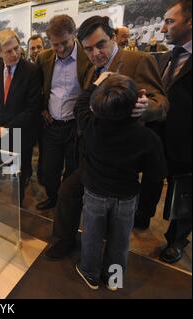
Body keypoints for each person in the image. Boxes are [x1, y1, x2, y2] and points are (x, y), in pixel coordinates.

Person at [43, 15, 169, 260]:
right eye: (88, 49)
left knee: (114, 218)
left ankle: (106, 263)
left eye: (100, 44)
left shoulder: (138, 60)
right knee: (68, 191)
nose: (95, 53)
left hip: (122, 160)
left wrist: (147, 107)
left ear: (113, 37)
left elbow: (162, 103)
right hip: (93, 152)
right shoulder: (91, 69)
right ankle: (66, 241)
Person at [73, 73, 166, 290]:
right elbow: (156, 173)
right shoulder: (147, 138)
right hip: (126, 196)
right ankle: (114, 279)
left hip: (95, 193)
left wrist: (97, 81)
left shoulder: (91, 124)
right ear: (137, 104)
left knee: (92, 236)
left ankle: (90, 274)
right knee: (120, 241)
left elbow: (79, 105)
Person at [35, 15, 93, 211]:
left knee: (73, 170)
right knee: (49, 170)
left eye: (65, 43)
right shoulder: (43, 58)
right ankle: (53, 197)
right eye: (55, 44)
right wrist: (42, 108)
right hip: (51, 125)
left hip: (74, 127)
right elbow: (38, 89)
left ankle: (66, 204)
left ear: (74, 35)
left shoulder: (87, 58)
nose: (60, 49)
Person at [0, 29, 42, 204]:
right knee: (1, 168)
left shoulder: (31, 70)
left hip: (21, 133)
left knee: (19, 174)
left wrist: (6, 129)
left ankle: (18, 209)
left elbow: (32, 109)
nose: (15, 53)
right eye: (9, 51)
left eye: (17, 48)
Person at [157, 0, 192, 264]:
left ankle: (177, 240)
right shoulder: (171, 55)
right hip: (161, 139)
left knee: (185, 193)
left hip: (187, 143)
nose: (162, 28)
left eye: (170, 21)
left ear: (189, 22)